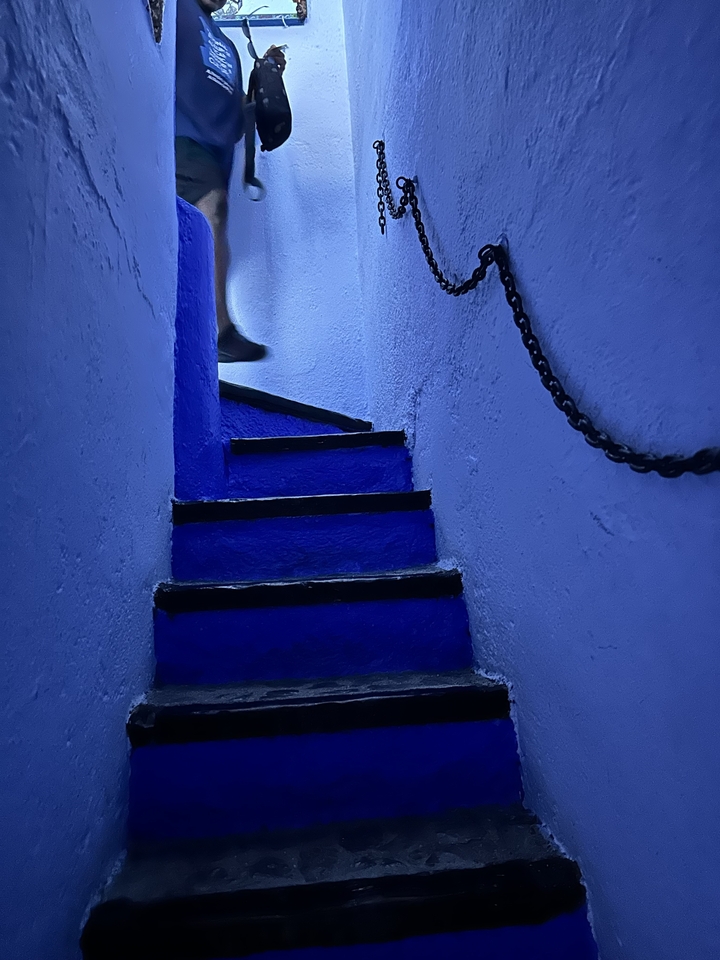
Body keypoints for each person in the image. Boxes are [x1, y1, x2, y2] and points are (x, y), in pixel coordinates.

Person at [175, 0, 286, 362]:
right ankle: (217, 330)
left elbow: (238, 115)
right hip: (181, 136)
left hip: (216, 154)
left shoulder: (228, 47)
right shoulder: (179, 9)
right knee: (212, 209)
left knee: (213, 222)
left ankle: (209, 328)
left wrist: (266, 78)